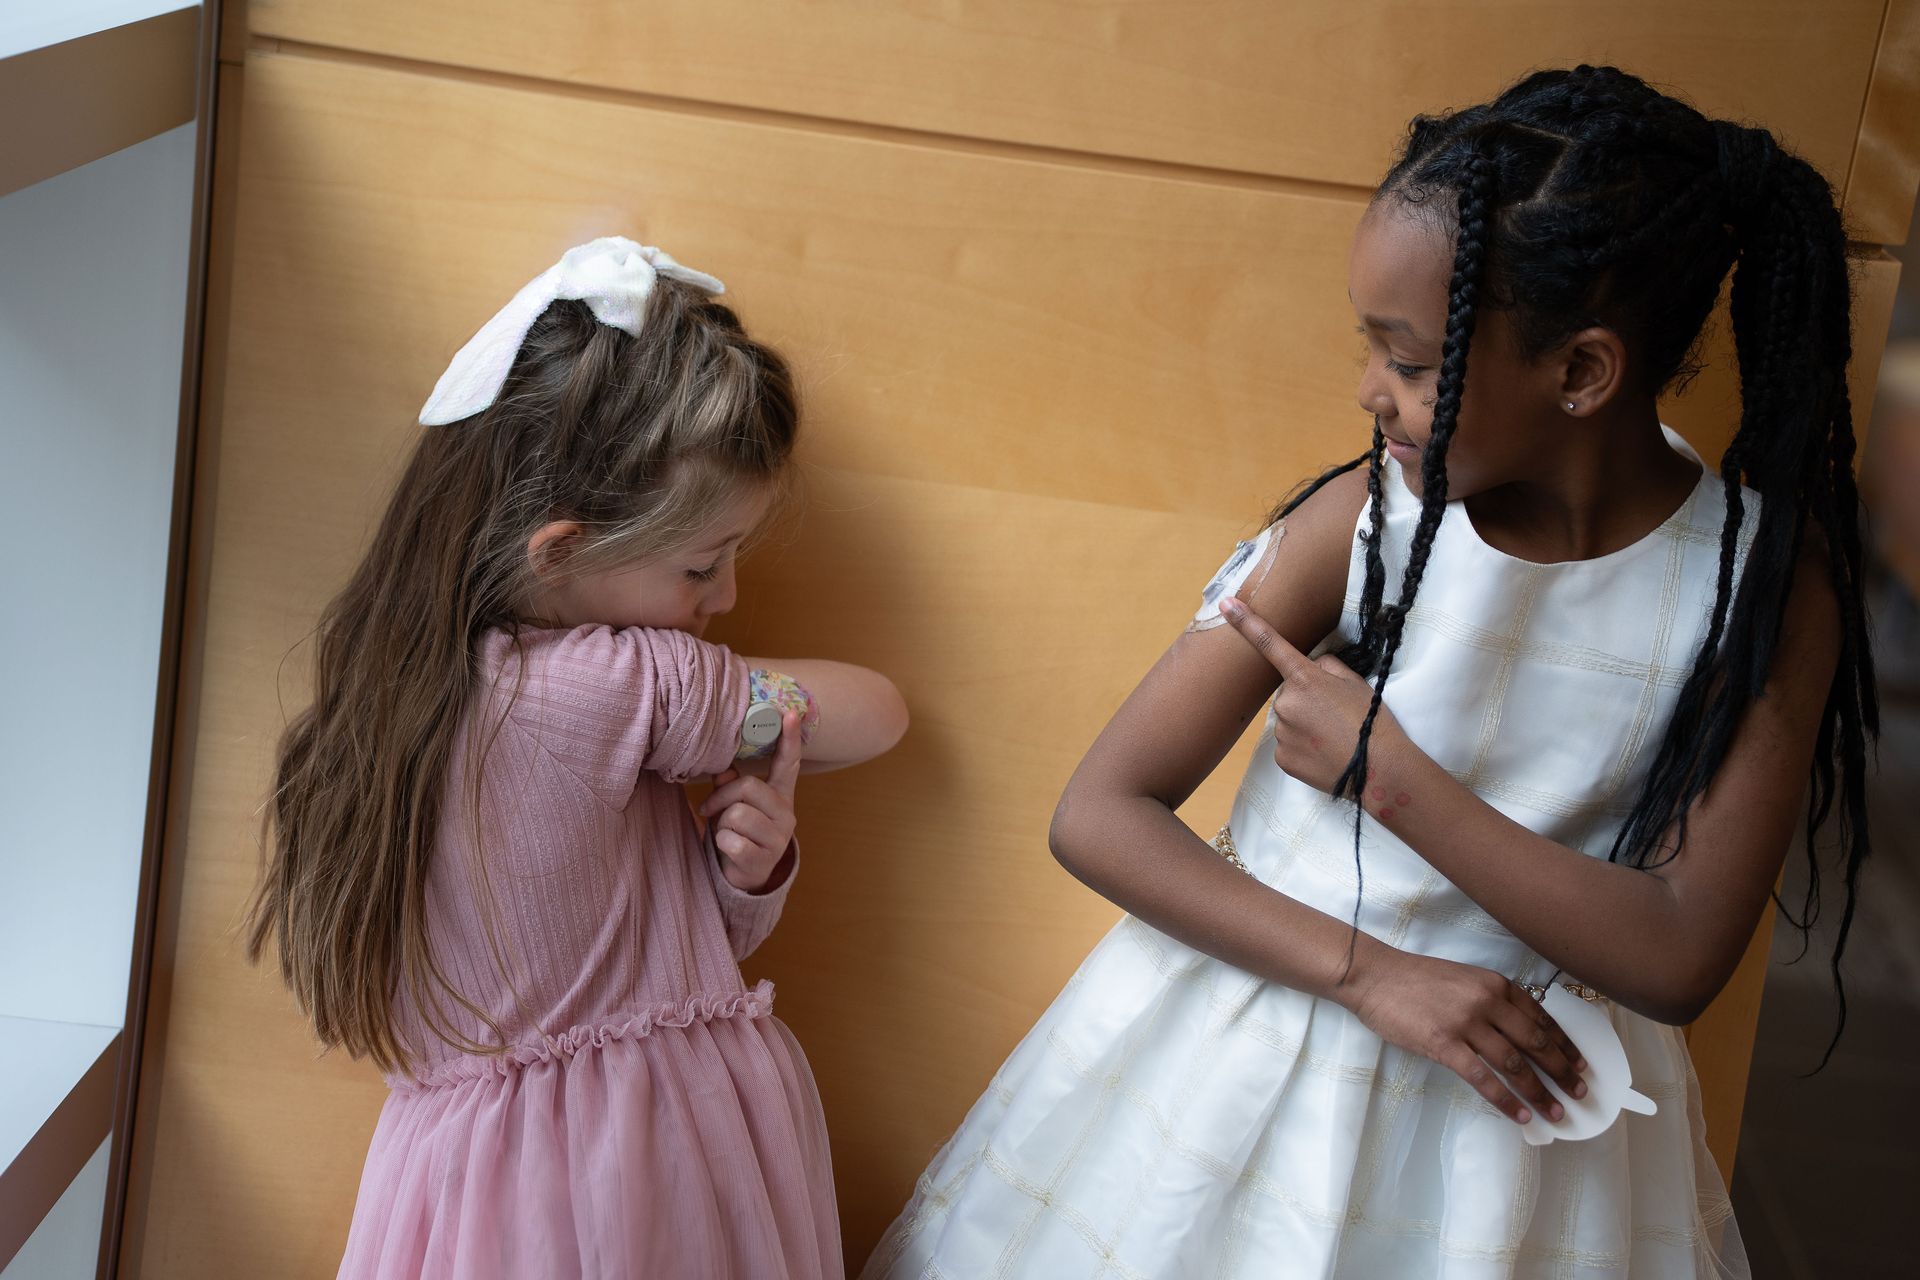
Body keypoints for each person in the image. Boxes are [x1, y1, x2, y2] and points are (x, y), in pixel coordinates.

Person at [864, 66, 1873, 1279]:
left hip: (1525, 1136)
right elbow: (1099, 813)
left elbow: (1676, 953)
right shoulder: (1363, 521)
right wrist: (1373, 975)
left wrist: (1390, 776)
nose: (1367, 388)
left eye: (1408, 357)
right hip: (1246, 1060)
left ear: (1583, 372)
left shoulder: (1758, 586)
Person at [246, 237, 909, 1279]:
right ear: (557, 552)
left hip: (467, 1173)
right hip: (635, 1146)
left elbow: (623, 950)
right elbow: (875, 711)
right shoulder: (602, 687)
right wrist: (733, 698)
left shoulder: (398, 696)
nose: (725, 600)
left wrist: (740, 877)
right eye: (704, 562)